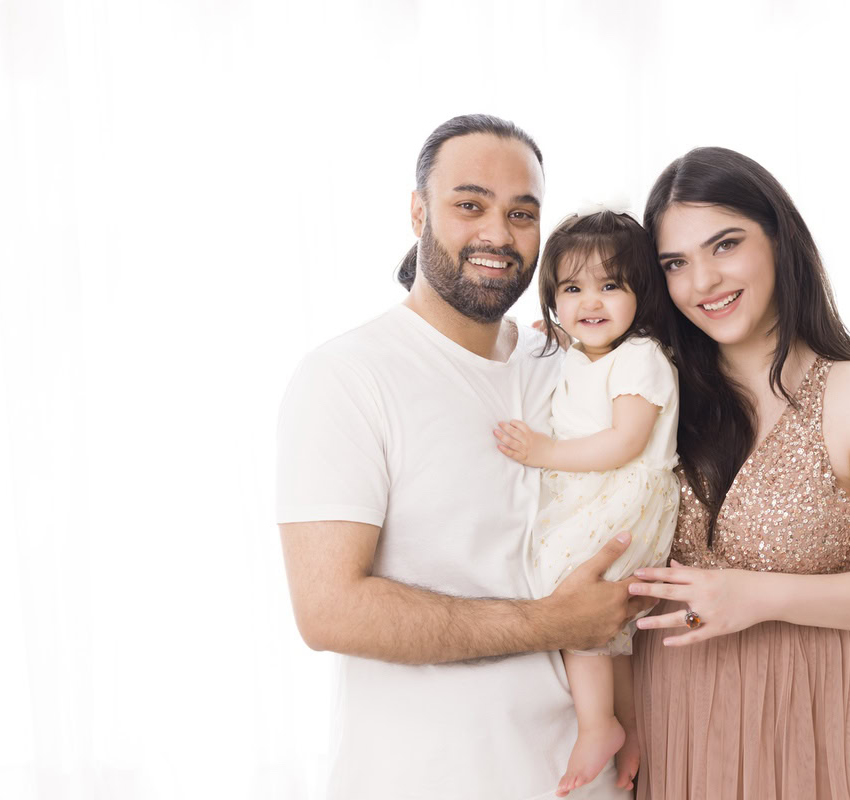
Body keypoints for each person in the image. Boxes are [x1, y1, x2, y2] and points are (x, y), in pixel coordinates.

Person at [276, 114, 643, 799]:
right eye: (469, 205)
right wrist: (551, 624)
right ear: (419, 211)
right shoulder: (348, 376)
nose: (498, 235)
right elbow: (329, 609)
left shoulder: (564, 361)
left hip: (587, 780)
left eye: (522, 213)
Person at [628, 147, 850, 798]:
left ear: (779, 238)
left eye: (725, 245)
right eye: (675, 264)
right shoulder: (655, 395)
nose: (703, 281)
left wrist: (757, 595)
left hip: (808, 731)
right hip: (667, 722)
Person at [493, 210, 680, 796]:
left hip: (627, 495)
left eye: (610, 286)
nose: (589, 302)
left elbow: (625, 441)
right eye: (572, 289)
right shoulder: (579, 353)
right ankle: (625, 727)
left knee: (569, 588)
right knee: (611, 628)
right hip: (596, 494)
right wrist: (555, 337)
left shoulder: (640, 357)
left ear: (640, 294)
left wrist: (543, 451)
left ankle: (597, 723)